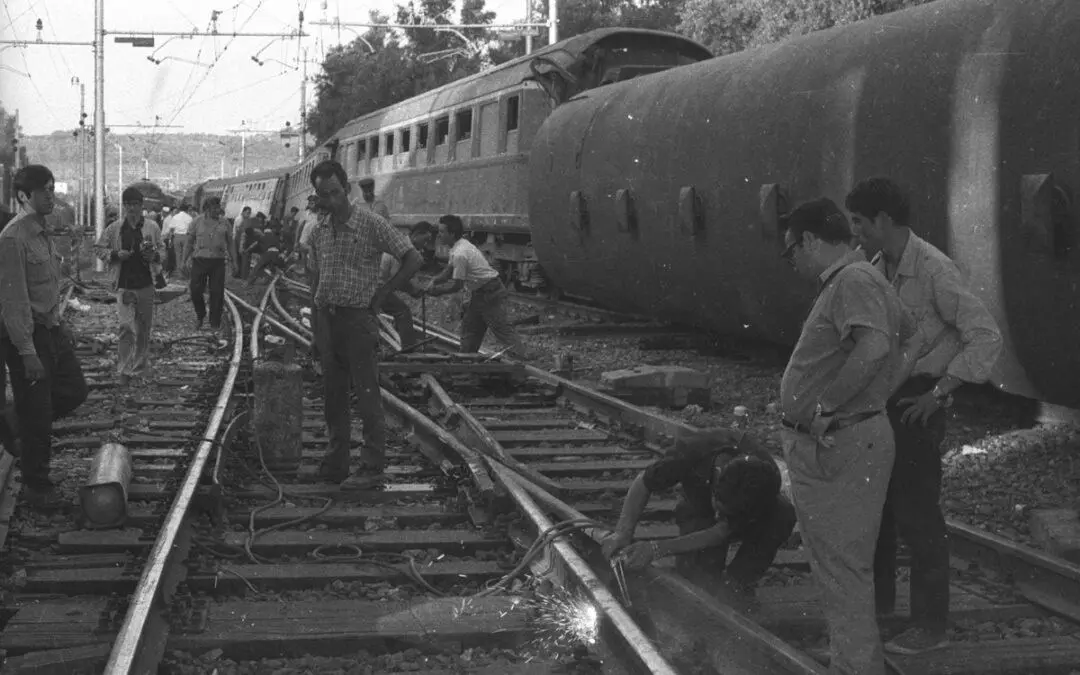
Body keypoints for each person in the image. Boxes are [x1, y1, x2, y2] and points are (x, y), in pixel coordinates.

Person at [846, 177, 1004, 655]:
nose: (856, 233)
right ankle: (880, 613)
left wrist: (939, 393)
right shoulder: (874, 268)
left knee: (917, 516)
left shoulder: (934, 268)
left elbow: (985, 335)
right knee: (877, 513)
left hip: (918, 402)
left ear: (884, 220)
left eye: (859, 222)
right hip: (882, 400)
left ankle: (929, 625)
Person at [778, 197, 909, 675]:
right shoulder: (862, 279)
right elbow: (910, 337)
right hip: (852, 437)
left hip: (840, 444)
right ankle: (853, 660)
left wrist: (828, 406)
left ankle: (855, 668)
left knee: (842, 568)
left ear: (811, 240)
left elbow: (876, 344)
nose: (792, 262)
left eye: (792, 251)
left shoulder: (852, 279)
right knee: (841, 565)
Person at [308, 160, 422, 487]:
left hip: (358, 321)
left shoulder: (372, 224)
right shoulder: (318, 231)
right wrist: (317, 332)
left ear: (346, 188)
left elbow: (413, 258)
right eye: (323, 195)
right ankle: (336, 463)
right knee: (333, 396)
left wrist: (383, 293)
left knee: (367, 393)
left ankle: (372, 467)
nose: (331, 200)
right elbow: (317, 285)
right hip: (328, 321)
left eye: (335, 192)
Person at [603, 428, 796, 607]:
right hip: (698, 507)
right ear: (717, 480)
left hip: (749, 511)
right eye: (720, 509)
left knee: (782, 513)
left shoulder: (766, 478)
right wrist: (622, 532)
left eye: (726, 514)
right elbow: (643, 483)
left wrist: (658, 548)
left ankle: (737, 583)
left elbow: (721, 532)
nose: (720, 517)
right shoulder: (690, 453)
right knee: (700, 578)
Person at [0, 165, 89, 508]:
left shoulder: (41, 232)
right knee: (37, 414)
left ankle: (11, 420)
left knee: (74, 390)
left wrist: (59, 325)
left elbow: (48, 288)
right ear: (24, 196)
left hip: (50, 328)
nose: (51, 195)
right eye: (44, 190)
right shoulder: (13, 237)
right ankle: (37, 488)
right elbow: (14, 301)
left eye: (53, 188)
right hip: (26, 333)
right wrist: (27, 352)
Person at [422, 215, 529, 358]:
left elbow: (457, 286)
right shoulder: (459, 246)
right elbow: (448, 271)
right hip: (480, 293)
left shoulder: (461, 253)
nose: (439, 235)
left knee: (502, 330)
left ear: (452, 234)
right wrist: (435, 280)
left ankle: (521, 363)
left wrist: (437, 291)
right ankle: (466, 361)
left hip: (491, 294)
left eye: (442, 232)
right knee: (470, 330)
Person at [94, 186, 165, 385]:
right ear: (124, 206)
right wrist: (116, 255)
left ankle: (140, 368)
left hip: (145, 284)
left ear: (141, 206)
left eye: (135, 205)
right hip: (124, 285)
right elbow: (99, 248)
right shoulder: (115, 228)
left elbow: (162, 249)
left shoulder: (152, 228)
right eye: (128, 205)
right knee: (126, 327)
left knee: (143, 329)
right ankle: (124, 369)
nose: (132, 209)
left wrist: (155, 256)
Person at [380, 221, 436, 350]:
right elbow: (397, 278)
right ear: (416, 235)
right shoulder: (405, 247)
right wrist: (413, 290)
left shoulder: (404, 243)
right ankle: (409, 351)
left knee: (399, 310)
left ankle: (406, 347)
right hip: (378, 287)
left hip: (381, 285)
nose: (426, 244)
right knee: (403, 312)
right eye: (425, 239)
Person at [184, 197, 235, 331]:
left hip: (218, 262)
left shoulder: (225, 223)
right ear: (207, 209)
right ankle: (200, 315)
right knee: (195, 290)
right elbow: (189, 243)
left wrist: (235, 261)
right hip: (199, 260)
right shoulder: (196, 222)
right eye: (214, 208)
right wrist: (183, 261)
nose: (218, 211)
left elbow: (230, 243)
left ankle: (214, 323)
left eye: (219, 208)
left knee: (217, 293)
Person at [163, 203, 194, 280]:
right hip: (186, 237)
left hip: (177, 237)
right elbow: (192, 230)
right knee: (185, 255)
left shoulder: (175, 217)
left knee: (178, 255)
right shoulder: (190, 218)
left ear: (180, 209)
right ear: (187, 210)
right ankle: (185, 274)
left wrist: (170, 239)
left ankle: (180, 274)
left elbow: (171, 229)